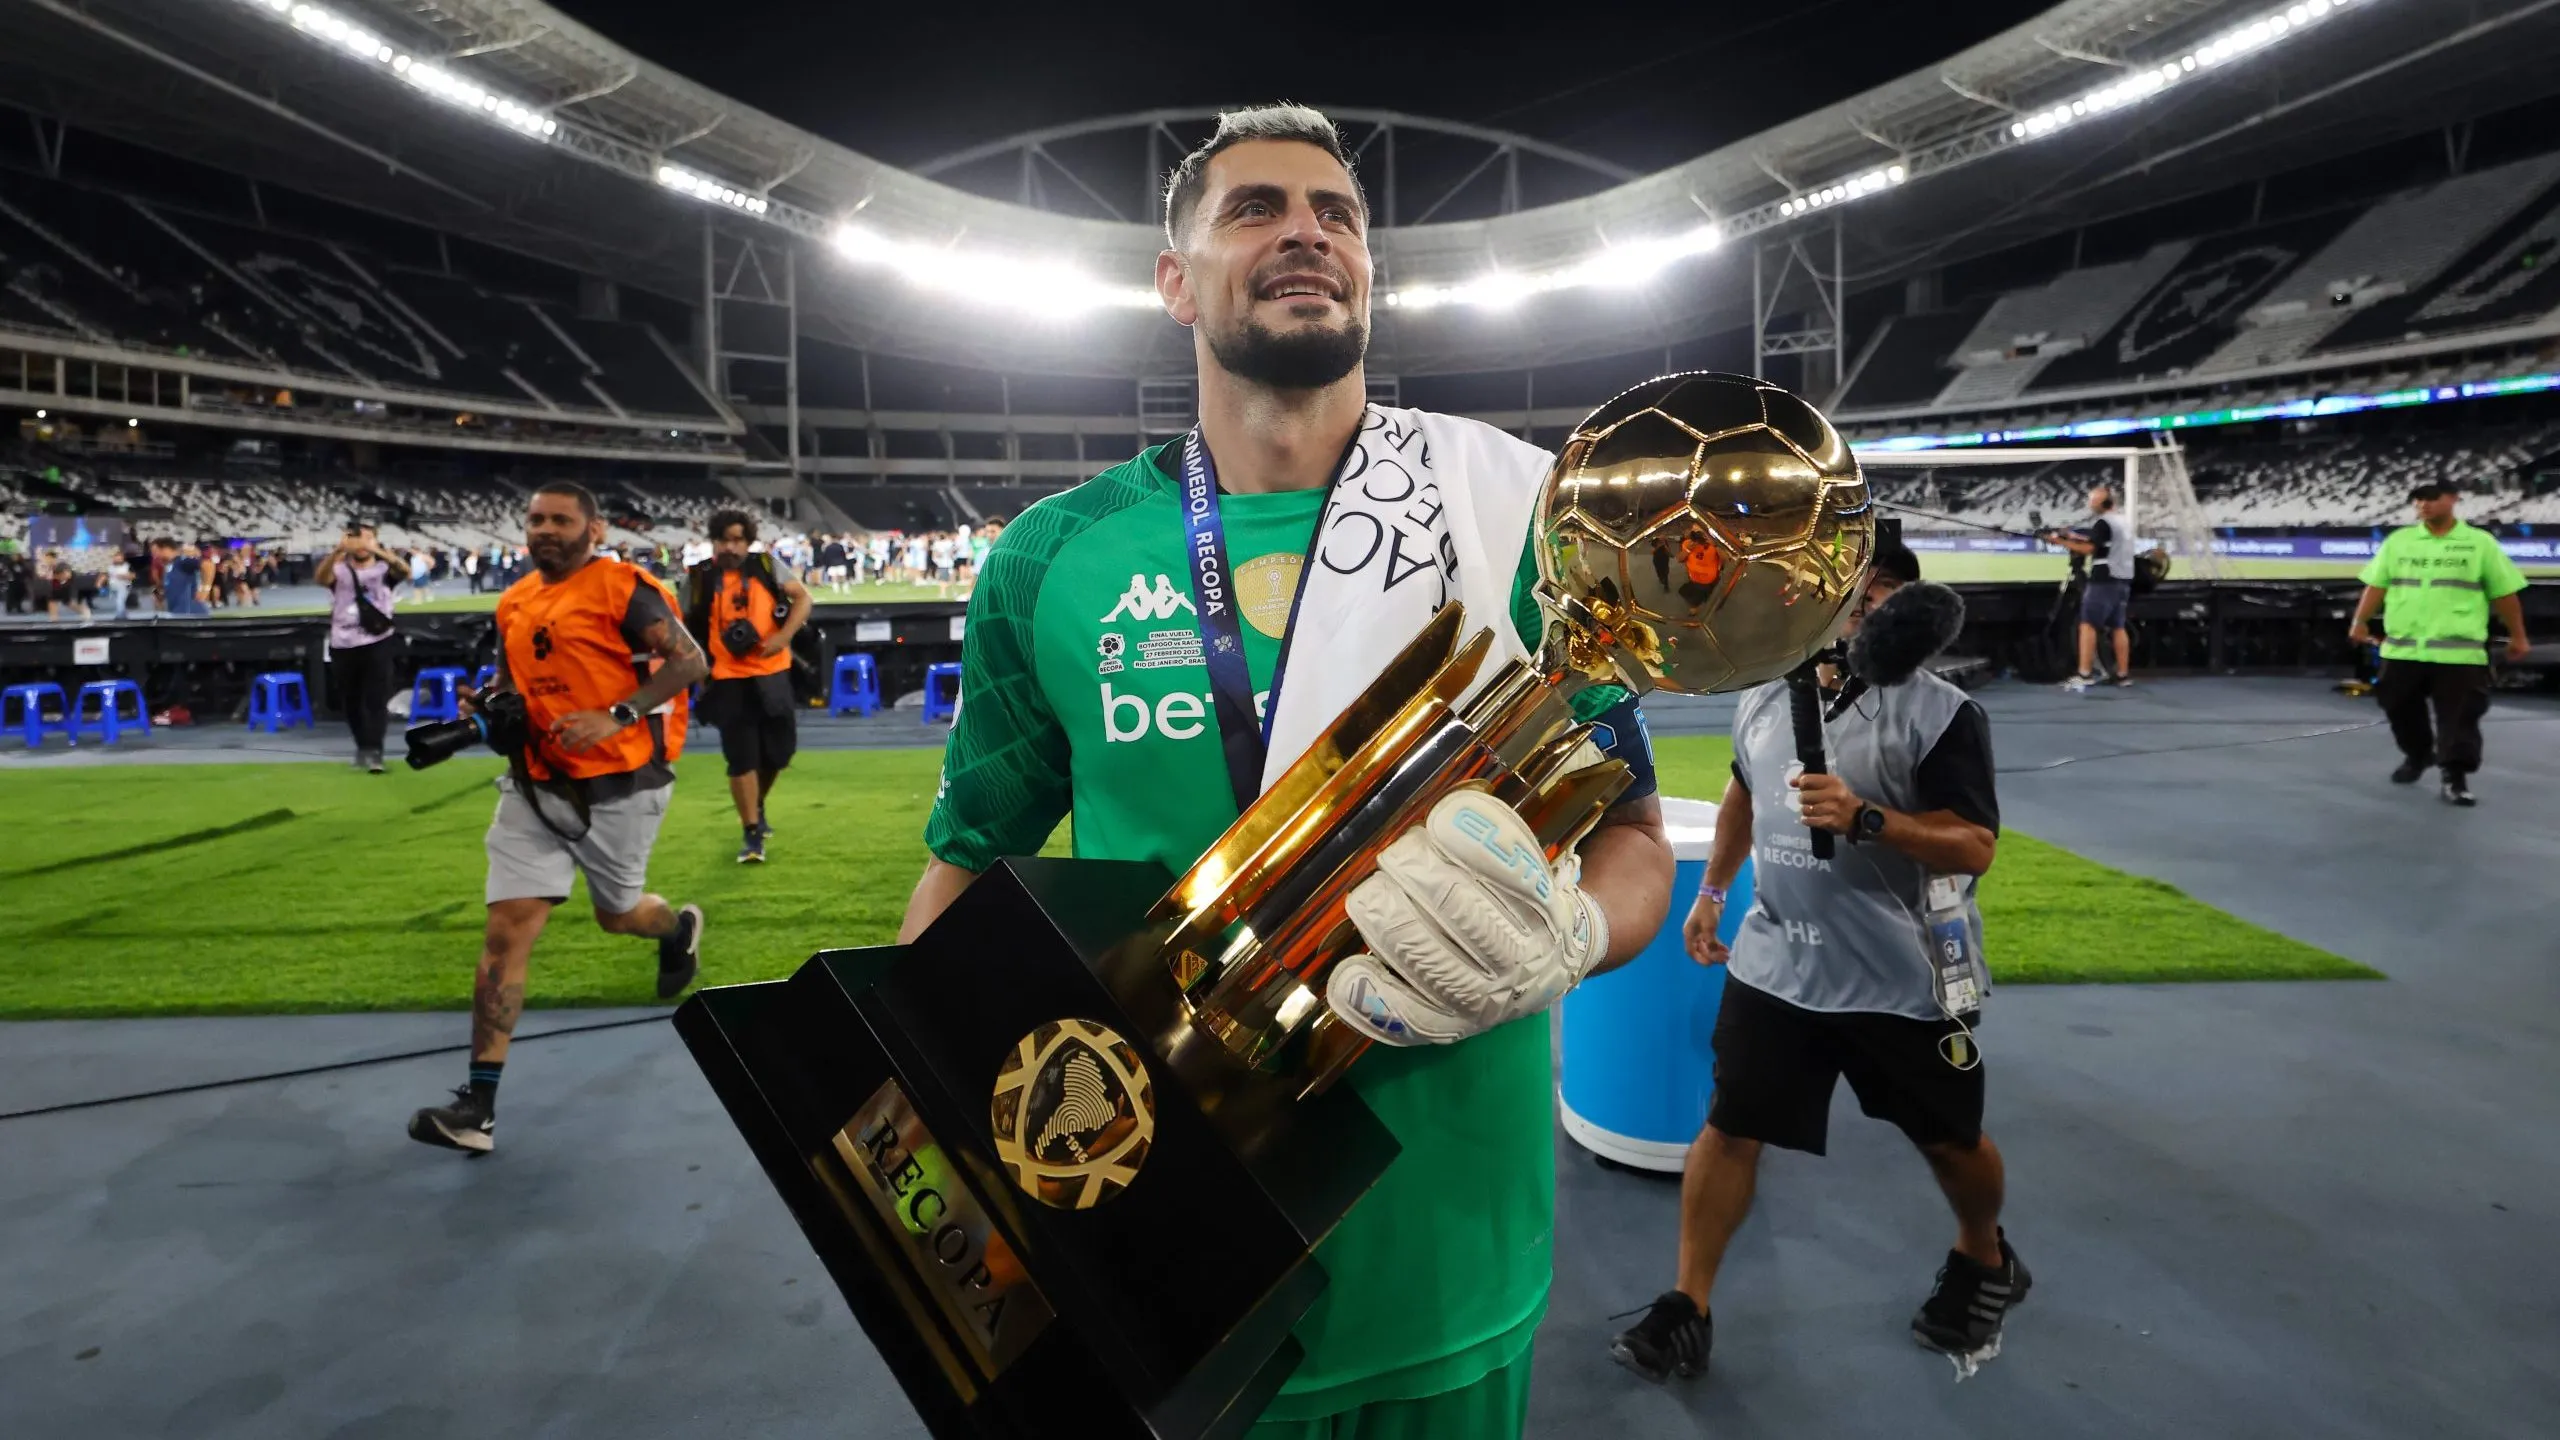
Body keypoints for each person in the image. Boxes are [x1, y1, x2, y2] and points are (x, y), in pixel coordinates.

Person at [901, 105, 1674, 1438]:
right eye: (1255, 207)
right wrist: (935, 1176)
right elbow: (962, 880)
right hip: (1154, 1242)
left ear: (1367, 270)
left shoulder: (1515, 522)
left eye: (1338, 215)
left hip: (1449, 1249)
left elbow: (1636, 844)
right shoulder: (1054, 555)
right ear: (1174, 279)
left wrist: (1577, 935)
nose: (1307, 231)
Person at [1612, 547, 2028, 1383]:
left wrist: (1869, 819)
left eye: (1882, 598)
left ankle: (1984, 1255)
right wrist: (1714, 893)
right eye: (1852, 595)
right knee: (1729, 1130)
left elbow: (1975, 845)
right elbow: (1744, 792)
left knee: (1949, 1141)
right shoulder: (1767, 694)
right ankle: (1688, 1303)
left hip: (1904, 979)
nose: (1861, 612)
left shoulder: (1940, 714)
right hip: (1779, 966)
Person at [407, 481, 710, 1155]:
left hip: (621, 784)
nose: (546, 529)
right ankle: (476, 1107)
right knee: (505, 931)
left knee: (619, 914)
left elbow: (691, 659)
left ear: (593, 530)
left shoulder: (622, 587)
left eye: (561, 519)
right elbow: (513, 680)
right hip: (534, 784)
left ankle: (676, 929)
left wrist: (618, 715)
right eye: (537, 519)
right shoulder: (514, 599)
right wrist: (488, 705)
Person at [2347, 481, 2531, 807]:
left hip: (2459, 652)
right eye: (2417, 500)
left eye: (2431, 498)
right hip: (2403, 649)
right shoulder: (2399, 541)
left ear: (2454, 499)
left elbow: (2504, 593)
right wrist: (2360, 620)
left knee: (2460, 717)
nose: (2423, 505)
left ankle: (2454, 778)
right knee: (2398, 707)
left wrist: (2518, 634)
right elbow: (2377, 585)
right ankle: (2419, 754)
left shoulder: (2479, 544)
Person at [684, 508, 812, 863]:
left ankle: (755, 804)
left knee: (779, 755)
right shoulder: (699, 578)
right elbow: (681, 628)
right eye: (724, 539)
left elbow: (804, 598)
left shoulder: (767, 567)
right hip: (726, 680)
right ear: (713, 541)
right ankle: (751, 832)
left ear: (749, 541)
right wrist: (696, 669)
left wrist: (783, 637)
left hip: (773, 675)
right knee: (741, 759)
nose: (730, 547)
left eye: (738, 539)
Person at [314, 522, 410, 772]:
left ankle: (375, 750)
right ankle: (362, 747)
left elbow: (405, 571)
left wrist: (378, 551)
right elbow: (321, 579)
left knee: (376, 697)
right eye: (358, 538)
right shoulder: (339, 569)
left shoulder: (382, 570)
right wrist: (338, 550)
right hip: (343, 641)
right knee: (352, 699)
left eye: (368, 538)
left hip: (377, 639)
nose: (362, 543)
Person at [2046, 481, 2135, 689]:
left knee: (2088, 624)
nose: (2089, 504)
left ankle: (2084, 673)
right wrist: (2074, 537)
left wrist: (2059, 542)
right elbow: (2100, 542)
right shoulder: (2122, 521)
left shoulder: (2103, 522)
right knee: (2118, 626)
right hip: (2123, 578)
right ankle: (2122, 674)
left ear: (2103, 502)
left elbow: (2089, 549)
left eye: (2092, 500)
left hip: (2104, 578)